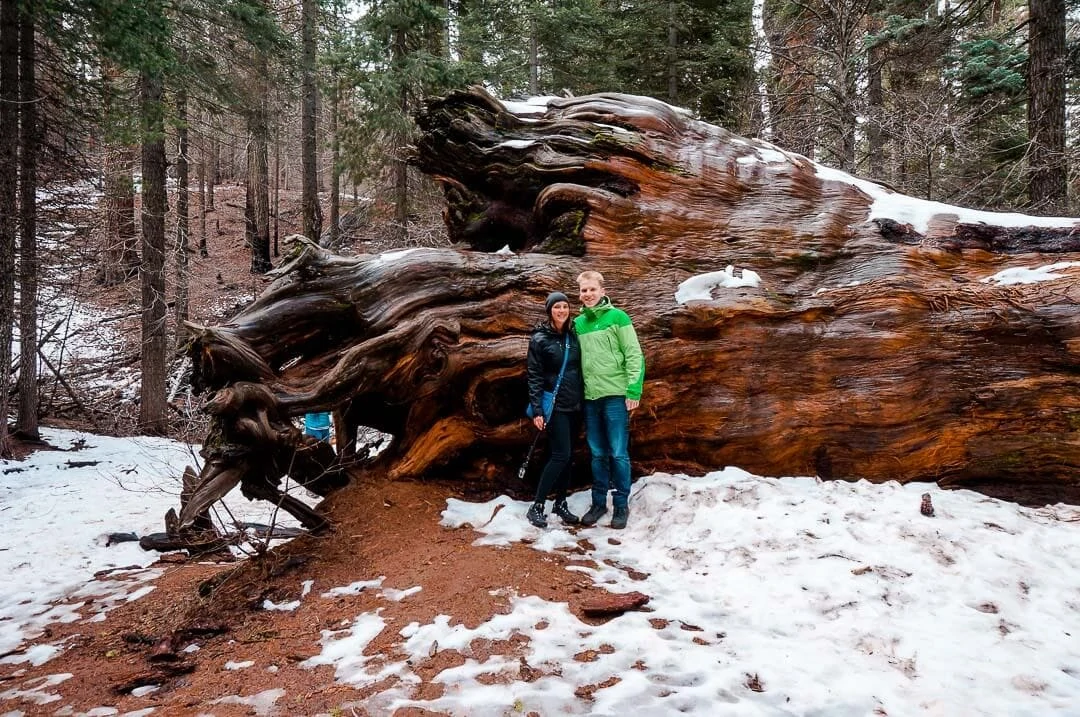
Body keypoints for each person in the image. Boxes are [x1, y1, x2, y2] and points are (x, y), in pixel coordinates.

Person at [574, 270, 644, 530]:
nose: (588, 294)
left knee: (618, 453)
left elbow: (634, 354)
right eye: (584, 290)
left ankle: (621, 505)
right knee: (597, 453)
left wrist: (633, 390)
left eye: (592, 289)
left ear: (602, 291)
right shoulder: (578, 324)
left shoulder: (618, 317)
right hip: (590, 397)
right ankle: (598, 503)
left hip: (615, 395)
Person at [524, 291, 585, 528]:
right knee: (560, 455)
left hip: (575, 404)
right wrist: (538, 410)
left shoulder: (573, 336)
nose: (562, 311)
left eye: (565, 306)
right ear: (549, 310)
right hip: (555, 405)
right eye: (557, 307)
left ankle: (560, 503)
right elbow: (534, 376)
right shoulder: (540, 339)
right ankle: (537, 505)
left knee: (568, 458)